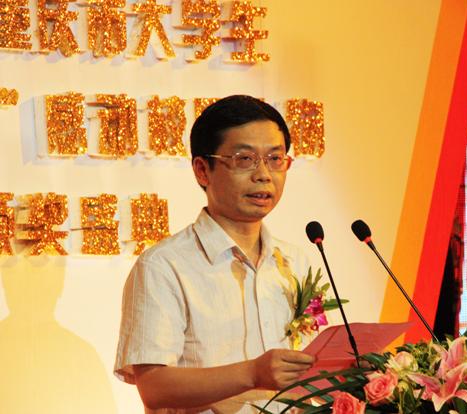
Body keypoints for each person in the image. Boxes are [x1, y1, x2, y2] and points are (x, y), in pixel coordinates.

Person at [114, 95, 316, 413]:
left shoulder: (295, 262)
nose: (264, 174)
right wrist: (253, 374)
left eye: (275, 159)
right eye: (245, 159)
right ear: (202, 170)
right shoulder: (164, 266)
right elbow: (154, 387)